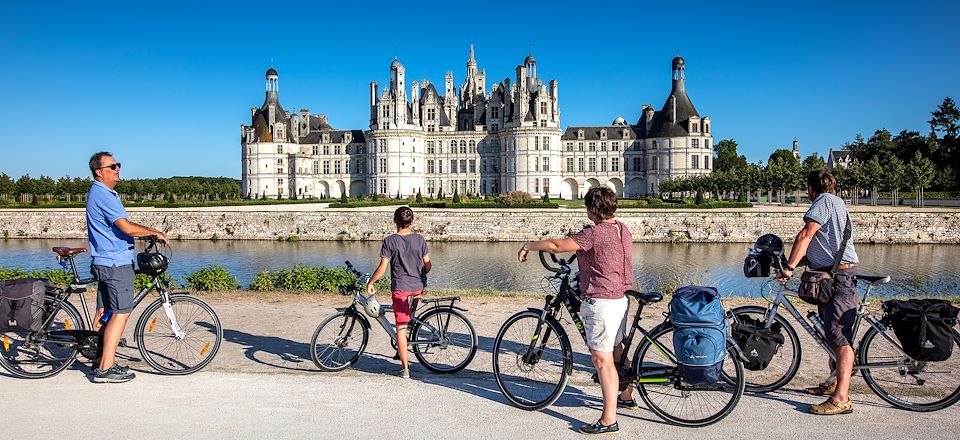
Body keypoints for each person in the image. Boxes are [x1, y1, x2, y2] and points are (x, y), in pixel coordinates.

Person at [517, 186, 634, 435]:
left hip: (602, 300)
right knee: (616, 349)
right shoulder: (622, 228)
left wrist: (529, 245)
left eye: (587, 207)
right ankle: (626, 395)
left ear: (593, 209)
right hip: (620, 298)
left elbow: (557, 245)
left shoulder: (594, 233)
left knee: (601, 360)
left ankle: (608, 419)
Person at [777, 169, 859, 415]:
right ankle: (833, 382)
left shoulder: (822, 202)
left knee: (840, 337)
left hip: (839, 277)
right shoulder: (836, 202)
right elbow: (820, 246)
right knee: (830, 332)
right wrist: (793, 262)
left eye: (807, 189)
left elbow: (806, 235)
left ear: (812, 189)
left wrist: (789, 268)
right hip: (831, 275)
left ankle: (841, 398)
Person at [86, 152, 168, 383]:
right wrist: (153, 232)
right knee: (121, 314)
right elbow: (126, 227)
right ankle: (106, 368)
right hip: (115, 263)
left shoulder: (100, 192)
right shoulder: (104, 194)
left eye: (117, 164)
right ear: (99, 172)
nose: (117, 168)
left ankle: (98, 357)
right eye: (112, 166)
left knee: (104, 313)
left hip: (104, 261)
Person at [366, 206, 431, 379]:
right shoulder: (420, 239)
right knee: (409, 320)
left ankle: (406, 369)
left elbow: (382, 268)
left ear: (395, 221)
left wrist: (371, 282)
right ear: (412, 222)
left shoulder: (390, 241)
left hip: (401, 287)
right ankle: (407, 339)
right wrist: (423, 271)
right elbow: (428, 265)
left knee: (400, 328)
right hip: (418, 286)